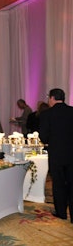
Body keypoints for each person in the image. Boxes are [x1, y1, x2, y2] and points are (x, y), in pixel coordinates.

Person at [39, 88, 73, 223]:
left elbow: (43, 137)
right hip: (72, 155)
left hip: (56, 155)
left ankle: (61, 213)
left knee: (58, 184)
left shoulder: (47, 114)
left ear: (52, 98)